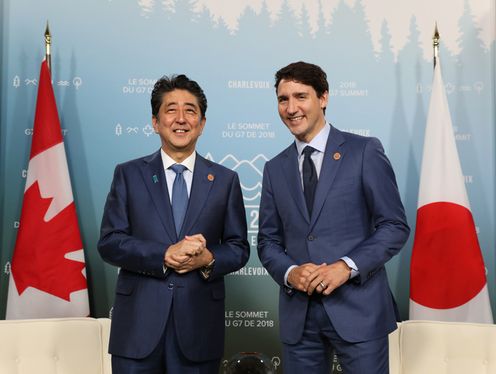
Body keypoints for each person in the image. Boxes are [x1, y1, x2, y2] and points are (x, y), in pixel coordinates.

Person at [257, 61, 410, 374]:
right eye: (283, 99)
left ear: (323, 97)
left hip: (359, 310)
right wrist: (290, 273)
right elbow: (268, 241)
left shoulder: (364, 151)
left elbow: (394, 226)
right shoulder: (275, 168)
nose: (291, 108)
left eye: (301, 96)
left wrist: (346, 266)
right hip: (299, 317)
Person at [98, 74, 249, 374]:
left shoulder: (224, 181)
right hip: (137, 331)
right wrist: (163, 255)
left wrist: (209, 259)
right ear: (155, 122)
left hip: (198, 331)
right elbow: (110, 242)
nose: (181, 119)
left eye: (190, 110)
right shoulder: (128, 175)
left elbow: (239, 247)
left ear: (202, 123)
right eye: (171, 110)